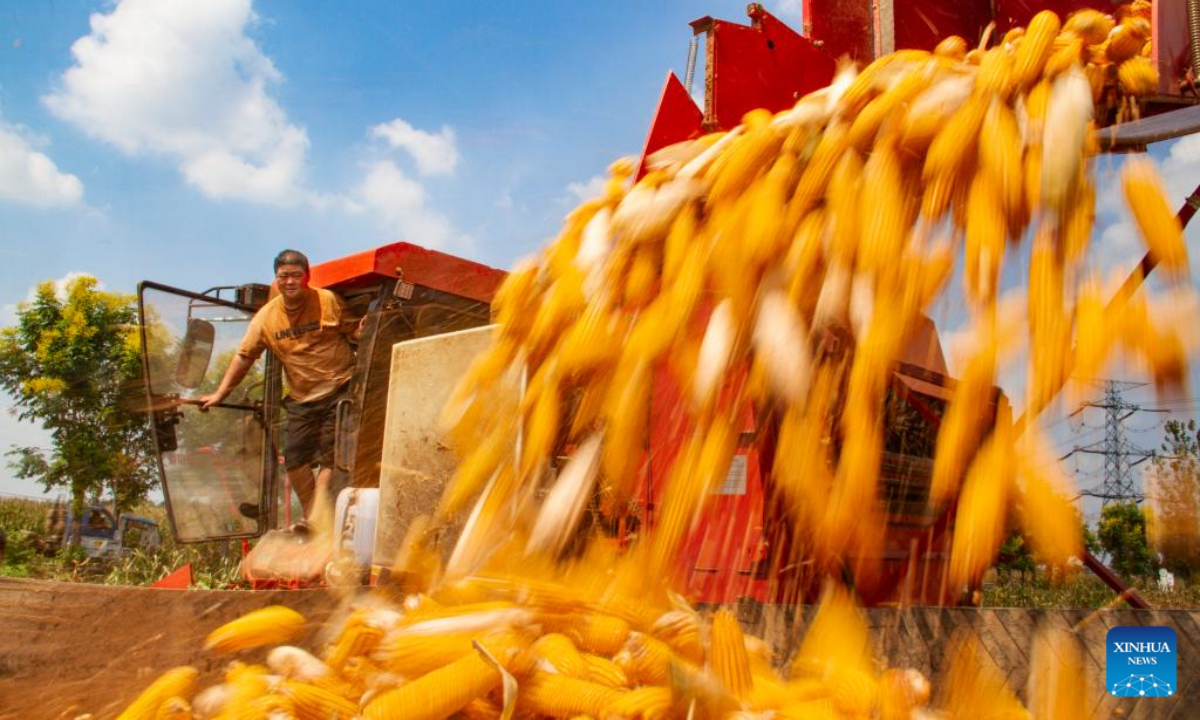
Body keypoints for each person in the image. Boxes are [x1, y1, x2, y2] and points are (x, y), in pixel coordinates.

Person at [201, 249, 362, 530]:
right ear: (276, 279)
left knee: (330, 456)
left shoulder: (328, 302)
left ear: (307, 277)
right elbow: (244, 356)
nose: (290, 282)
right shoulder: (266, 318)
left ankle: (312, 520)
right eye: (283, 276)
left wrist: (367, 328)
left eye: (296, 276)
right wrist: (220, 394)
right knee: (295, 459)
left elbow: (354, 332)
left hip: (340, 388)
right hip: (302, 397)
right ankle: (316, 517)